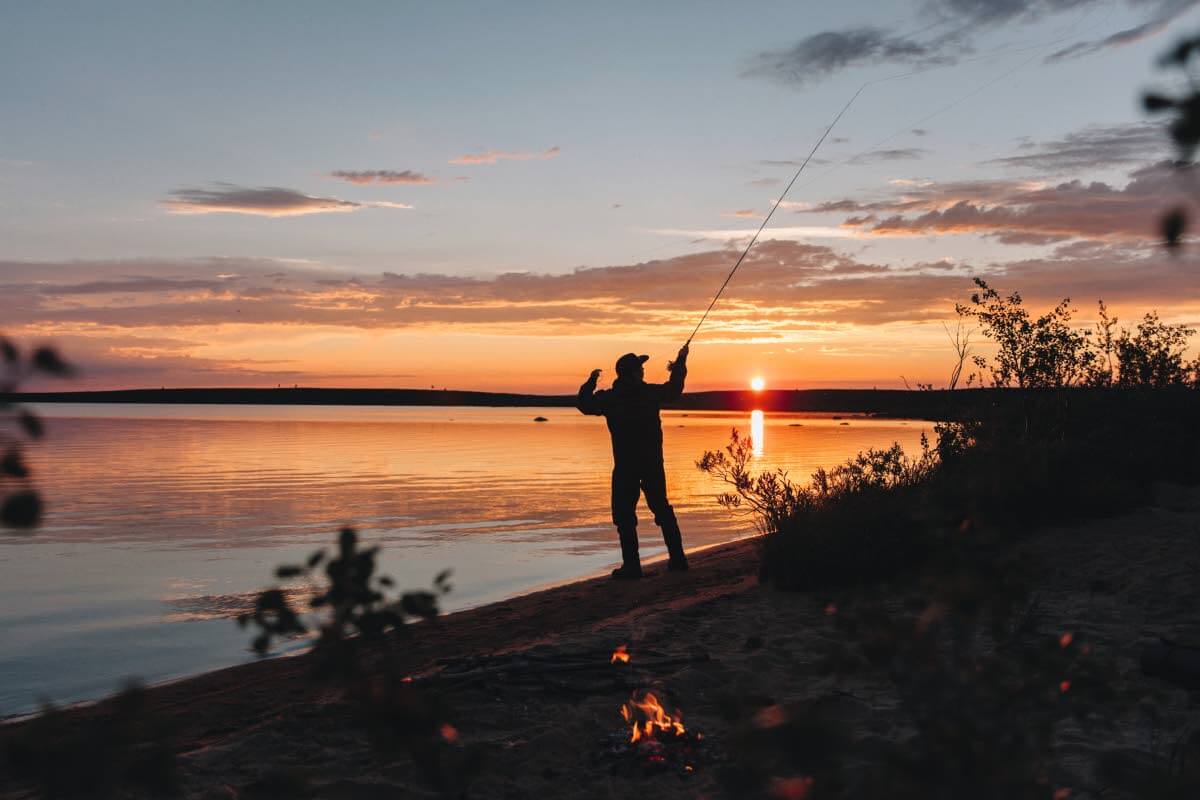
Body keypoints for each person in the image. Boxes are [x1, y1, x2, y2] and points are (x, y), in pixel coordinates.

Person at [577, 344, 690, 579]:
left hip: (626, 465)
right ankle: (677, 560)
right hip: (651, 464)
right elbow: (674, 389)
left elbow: (584, 404)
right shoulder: (647, 394)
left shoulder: (610, 398)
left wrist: (591, 382)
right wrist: (680, 363)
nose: (643, 371)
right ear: (632, 372)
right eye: (639, 368)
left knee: (625, 516)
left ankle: (632, 567)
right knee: (661, 510)